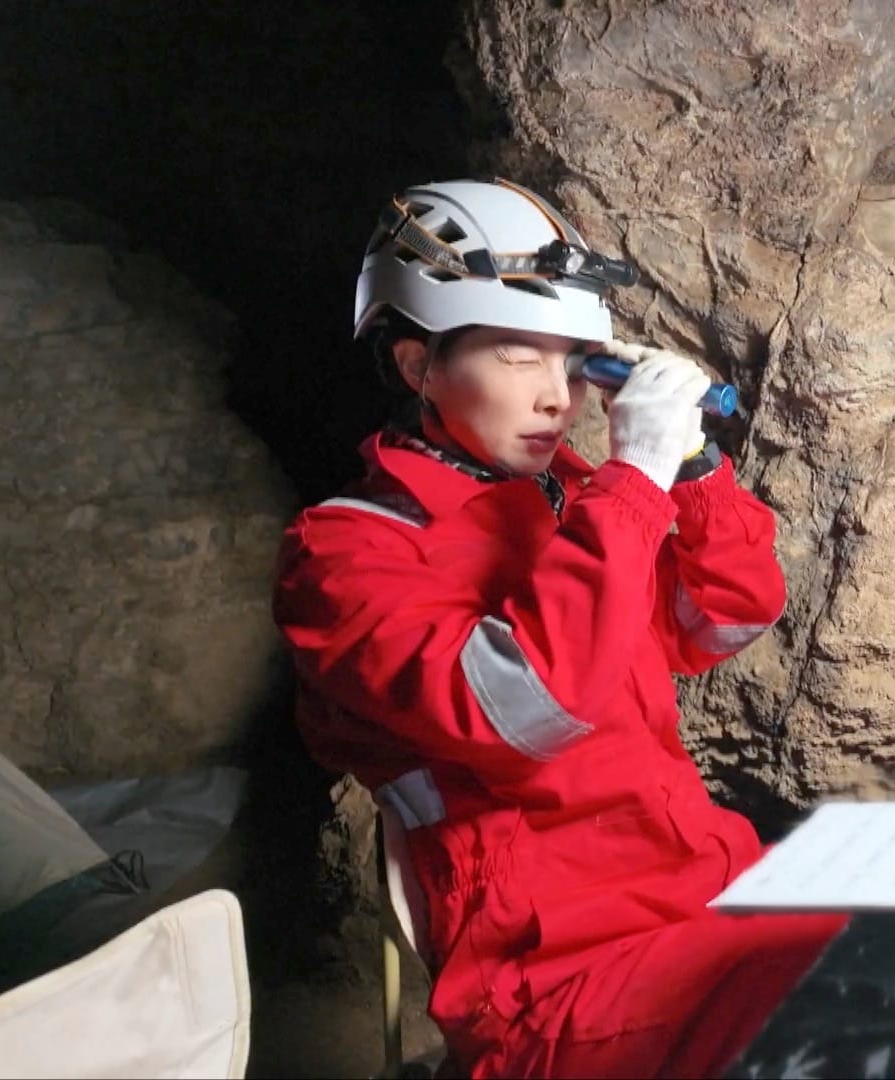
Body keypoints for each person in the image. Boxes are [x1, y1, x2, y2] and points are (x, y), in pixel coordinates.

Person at [271, 178, 845, 1079]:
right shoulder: (344, 555)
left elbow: (728, 617)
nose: (556, 396)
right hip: (554, 979)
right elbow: (526, 711)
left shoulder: (573, 496)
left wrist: (689, 470)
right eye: (514, 356)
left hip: (704, 890)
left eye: (571, 359)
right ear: (419, 366)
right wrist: (633, 484)